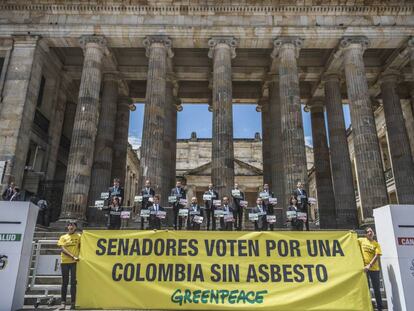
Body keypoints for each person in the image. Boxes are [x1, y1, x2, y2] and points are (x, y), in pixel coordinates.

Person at [57, 222, 81, 310]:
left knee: (73, 283)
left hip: (74, 263)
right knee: (64, 283)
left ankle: (73, 303)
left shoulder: (79, 236)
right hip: (65, 262)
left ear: (75, 227)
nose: (71, 226)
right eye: (69, 225)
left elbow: (82, 246)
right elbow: (62, 249)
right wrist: (73, 256)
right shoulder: (63, 237)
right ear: (67, 227)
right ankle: (63, 303)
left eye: (73, 225)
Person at [358, 227, 383, 311]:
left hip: (374, 269)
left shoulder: (376, 244)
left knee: (377, 289)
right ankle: (369, 306)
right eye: (368, 232)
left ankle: (380, 307)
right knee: (366, 288)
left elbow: (377, 255)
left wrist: (369, 265)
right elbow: (351, 239)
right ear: (365, 234)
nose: (370, 232)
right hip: (364, 269)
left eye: (371, 231)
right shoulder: (361, 240)